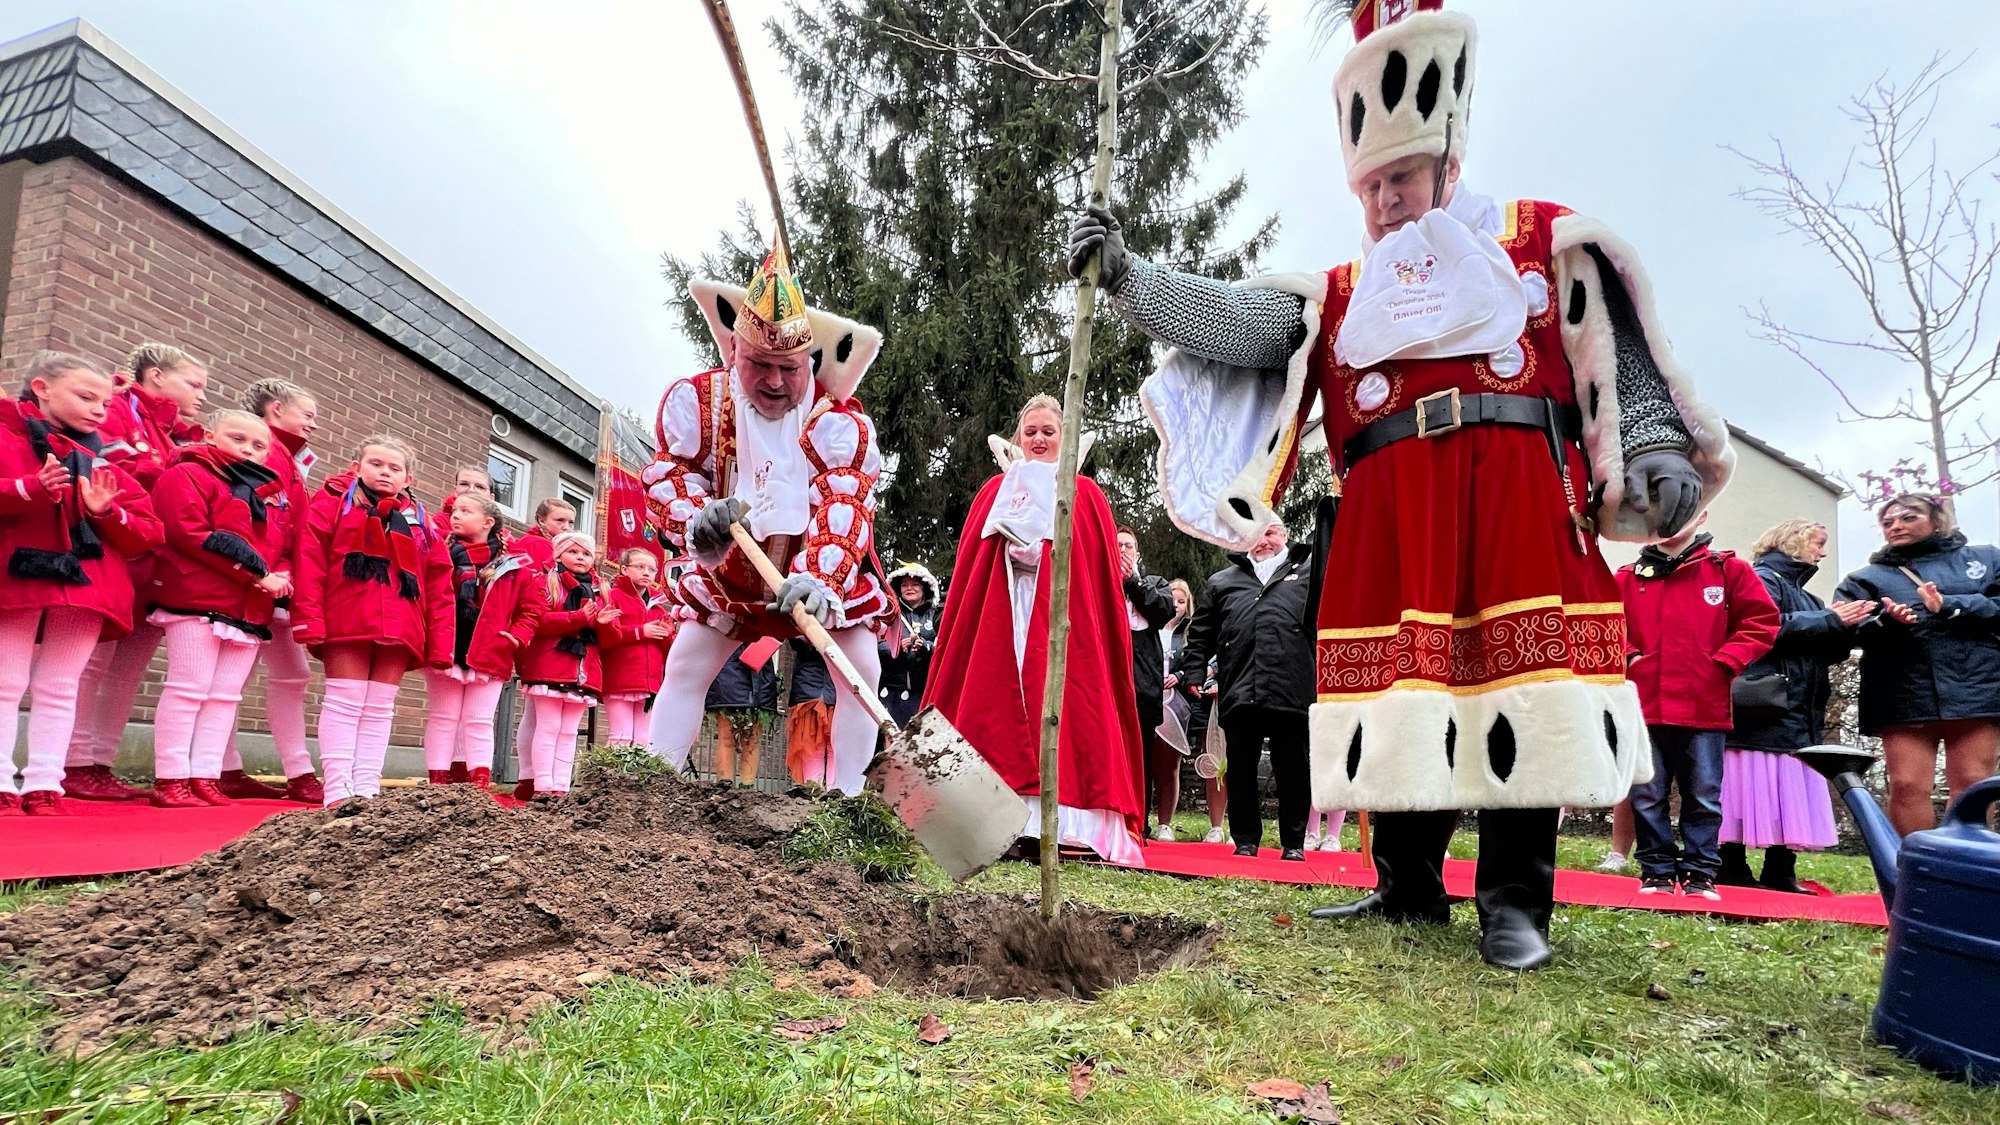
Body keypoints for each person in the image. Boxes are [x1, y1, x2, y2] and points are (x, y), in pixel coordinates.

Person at [1076, 1, 1734, 968]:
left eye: (1402, 178)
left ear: (1448, 165)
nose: (1384, 201)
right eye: (1371, 184)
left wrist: (1650, 441)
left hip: (1517, 504)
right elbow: (1238, 322)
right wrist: (1135, 280)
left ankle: (1515, 905)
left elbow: (1615, 357)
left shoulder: (1539, 244)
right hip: (1390, 519)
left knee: (1529, 686)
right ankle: (1406, 887)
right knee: (1399, 700)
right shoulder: (1343, 296)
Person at [642, 242, 891, 795]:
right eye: (760, 365)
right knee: (685, 668)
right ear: (734, 351)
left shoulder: (837, 418)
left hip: (821, 570)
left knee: (863, 677)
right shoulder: (700, 401)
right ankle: (650, 798)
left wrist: (822, 580)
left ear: (809, 364)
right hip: (733, 570)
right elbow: (667, 472)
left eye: (788, 369)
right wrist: (695, 516)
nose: (776, 383)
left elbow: (845, 501)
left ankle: (850, 803)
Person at [924, 395, 1147, 864]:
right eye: (1031, 432)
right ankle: (990, 823)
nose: (1040, 439)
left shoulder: (1085, 494)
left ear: (1063, 438)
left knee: (1067, 709)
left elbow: (1094, 576)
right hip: (1003, 617)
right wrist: (1011, 556)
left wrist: (1044, 559)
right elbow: (973, 571)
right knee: (995, 706)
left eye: (1049, 431)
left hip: (1065, 624)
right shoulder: (994, 491)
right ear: (1018, 439)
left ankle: (1070, 825)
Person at [0, 352, 162, 815]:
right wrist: (29, 488)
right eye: (85, 396)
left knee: (60, 684)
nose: (98, 409)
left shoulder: (98, 459)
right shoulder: (5, 437)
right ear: (42, 388)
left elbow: (151, 532)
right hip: (18, 575)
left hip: (87, 585)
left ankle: (45, 782)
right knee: (6, 681)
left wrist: (106, 511)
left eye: (105, 403)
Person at [63, 342, 209, 801]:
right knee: (92, 663)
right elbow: (117, 469)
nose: (202, 394)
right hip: (117, 553)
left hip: (153, 561)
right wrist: (180, 465)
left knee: (128, 670)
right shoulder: (121, 408)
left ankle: (100, 762)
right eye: (194, 383)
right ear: (158, 377)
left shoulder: (178, 433)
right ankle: (73, 761)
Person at [1616, 512, 1779, 898]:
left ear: (1702, 514)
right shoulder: (1625, 577)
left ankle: (1700, 873)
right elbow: (1607, 626)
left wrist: (1725, 661)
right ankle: (1655, 870)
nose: (1669, 520)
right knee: (1646, 794)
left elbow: (1761, 621)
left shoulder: (1729, 570)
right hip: (1644, 707)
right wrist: (1628, 657)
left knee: (1704, 794)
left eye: (1683, 511)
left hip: (1704, 705)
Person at [292, 436, 453, 806]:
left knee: (380, 708)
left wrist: (440, 643)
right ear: (357, 466)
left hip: (401, 624)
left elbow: (439, 583)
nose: (385, 472)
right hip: (346, 615)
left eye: (395, 468)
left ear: (408, 477)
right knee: (344, 701)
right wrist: (309, 619)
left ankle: (366, 787)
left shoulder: (422, 521)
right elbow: (310, 559)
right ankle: (336, 788)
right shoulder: (333, 503)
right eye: (377, 464)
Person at [144, 411, 293, 807]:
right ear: (210, 435)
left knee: (225, 696)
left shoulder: (261, 494)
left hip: (248, 606)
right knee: (187, 688)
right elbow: (187, 531)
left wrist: (278, 572)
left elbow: (276, 547)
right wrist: (258, 573)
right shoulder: (187, 474)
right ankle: (171, 777)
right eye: (238, 438)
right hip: (197, 596)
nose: (248, 449)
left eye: (258, 445)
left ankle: (205, 774)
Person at [1836, 493, 2000, 836]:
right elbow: (1842, 630)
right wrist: (1886, 621)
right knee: (1908, 784)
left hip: (1977, 685)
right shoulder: (1864, 579)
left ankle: (1960, 874)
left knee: (1972, 785)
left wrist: (1952, 604)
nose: (1896, 525)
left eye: (1908, 518)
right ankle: (1912, 874)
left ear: (1937, 521)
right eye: (1888, 522)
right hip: (1901, 690)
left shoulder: (1986, 559)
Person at [1722, 519, 1864, 892]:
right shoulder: (1762, 578)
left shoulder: (1808, 596)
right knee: (1748, 781)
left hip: (1797, 706)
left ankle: (1779, 870)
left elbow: (1817, 644)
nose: (1824, 552)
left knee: (1789, 784)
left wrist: (1847, 628)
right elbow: (1761, 626)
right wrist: (1827, 618)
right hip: (1766, 704)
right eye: (1819, 543)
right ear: (1795, 541)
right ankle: (1732, 866)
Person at [1176, 518, 1317, 859]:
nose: (1263, 540)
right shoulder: (1222, 581)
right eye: (1254, 534)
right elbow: (1200, 634)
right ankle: (1245, 840)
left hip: (1292, 685)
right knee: (1240, 766)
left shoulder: (1312, 573)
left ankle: (1294, 843)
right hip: (1239, 684)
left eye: (1269, 532)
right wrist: (1194, 672)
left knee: (1293, 767)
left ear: (1283, 534)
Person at [238, 378, 324, 803]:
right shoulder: (265, 451)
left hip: (282, 579)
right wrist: (269, 569)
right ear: (275, 409)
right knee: (237, 678)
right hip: (262, 579)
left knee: (289, 674)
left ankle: (293, 769)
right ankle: (226, 767)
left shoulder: (290, 458)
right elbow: (264, 520)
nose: (313, 423)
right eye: (306, 414)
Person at [425, 493, 539, 787]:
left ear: (488, 522)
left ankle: (479, 783)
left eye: (466, 511)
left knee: (478, 720)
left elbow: (531, 608)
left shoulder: (514, 565)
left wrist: (517, 637)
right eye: (454, 511)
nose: (456, 515)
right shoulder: (439, 553)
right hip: (447, 644)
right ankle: (437, 779)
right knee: (444, 716)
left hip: (492, 648)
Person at [514, 531, 611, 799]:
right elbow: (535, 621)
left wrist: (605, 624)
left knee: (568, 731)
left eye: (586, 553)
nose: (580, 557)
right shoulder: (545, 582)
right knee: (548, 726)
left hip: (583, 669)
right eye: (573, 551)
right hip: (550, 663)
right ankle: (542, 786)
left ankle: (561, 787)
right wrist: (575, 618)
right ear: (558, 554)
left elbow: (608, 637)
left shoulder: (600, 588)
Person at [1116, 529, 1179, 840]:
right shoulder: (1098, 583)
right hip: (1109, 685)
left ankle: (1139, 822)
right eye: (1117, 546)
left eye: (1129, 546)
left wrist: (1133, 582)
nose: (1124, 551)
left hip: (1144, 689)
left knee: (1142, 759)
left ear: (1138, 554)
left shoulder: (1154, 584)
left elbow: (1163, 612)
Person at [600, 547, 675, 749]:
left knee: (644, 738)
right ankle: (613, 779)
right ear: (624, 570)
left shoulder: (658, 607)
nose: (646, 573)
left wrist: (668, 635)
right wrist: (640, 632)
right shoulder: (612, 596)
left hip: (650, 681)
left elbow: (670, 651)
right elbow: (605, 637)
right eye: (640, 567)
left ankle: (636, 780)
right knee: (621, 735)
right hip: (620, 677)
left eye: (651, 569)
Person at [705, 642, 778, 787]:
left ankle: (747, 790)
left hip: (760, 672)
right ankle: (724, 787)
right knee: (727, 736)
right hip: (729, 671)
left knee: (752, 740)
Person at [877, 562, 941, 728]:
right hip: (891, 693)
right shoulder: (888, 614)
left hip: (923, 694)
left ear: (924, 588)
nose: (909, 588)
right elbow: (874, 646)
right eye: (905, 585)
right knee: (890, 743)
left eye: (915, 585)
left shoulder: (936, 616)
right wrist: (895, 648)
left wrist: (925, 647)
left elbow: (944, 649)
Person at [785, 636, 839, 784]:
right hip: (811, 688)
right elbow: (795, 640)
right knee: (812, 745)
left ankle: (835, 795)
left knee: (836, 747)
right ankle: (813, 795)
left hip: (835, 687)